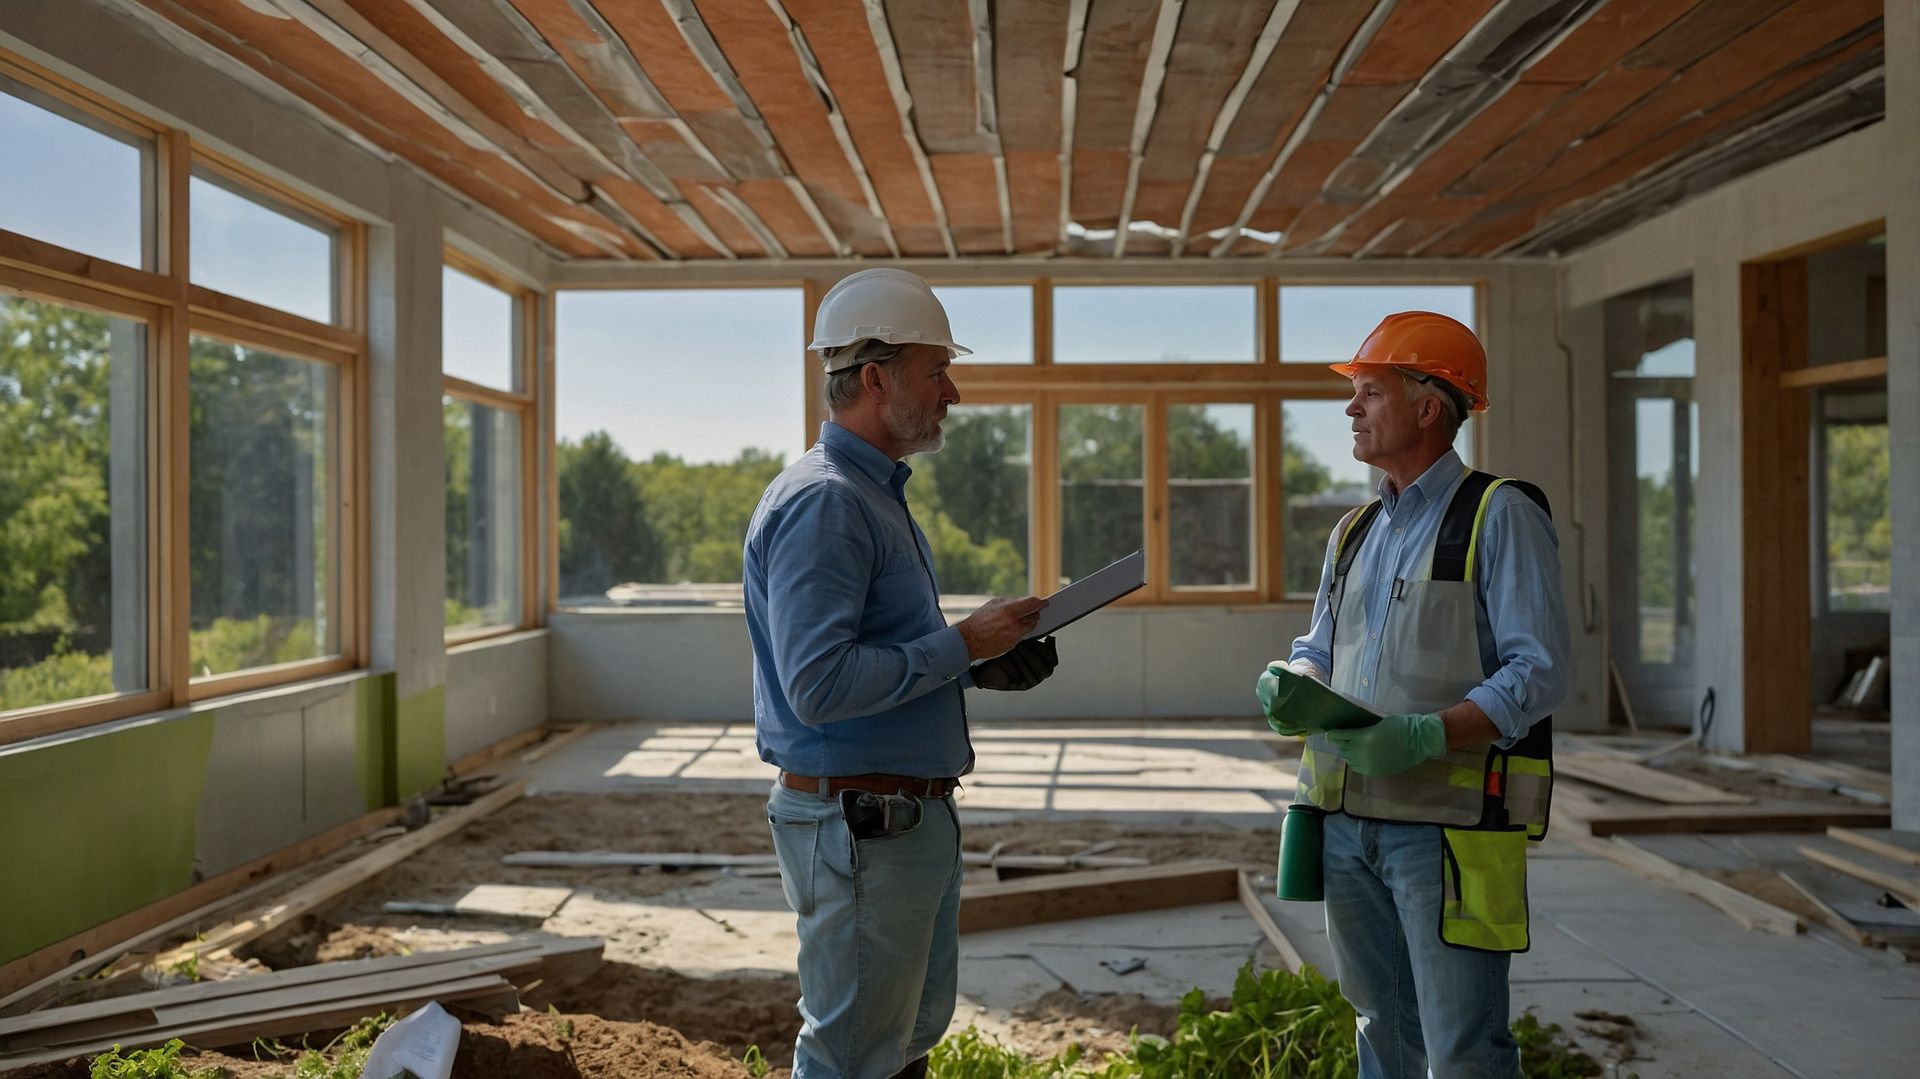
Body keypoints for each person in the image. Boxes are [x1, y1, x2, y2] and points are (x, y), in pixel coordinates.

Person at [744, 268, 1061, 1079]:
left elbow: (876, 661)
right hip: (862, 828)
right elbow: (818, 686)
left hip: (898, 823)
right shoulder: (827, 503)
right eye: (936, 369)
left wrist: (981, 665)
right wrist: (961, 645)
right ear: (876, 378)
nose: (952, 391)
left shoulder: (872, 494)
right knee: (851, 1055)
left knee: (902, 1041)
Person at [1258, 311, 1570, 1078]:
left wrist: (1429, 734)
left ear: (1430, 406)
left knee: (1462, 1045)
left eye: (1369, 391)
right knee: (1381, 1031)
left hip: (1446, 830)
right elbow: (1320, 648)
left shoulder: (1501, 514)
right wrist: (1296, 681)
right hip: (1345, 822)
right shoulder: (1354, 530)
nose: (1350, 409)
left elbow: (1540, 670)